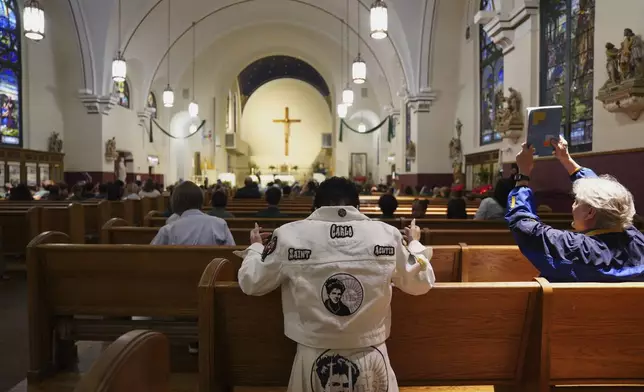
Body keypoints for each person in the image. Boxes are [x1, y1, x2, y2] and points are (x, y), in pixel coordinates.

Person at [235, 176, 435, 392]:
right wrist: (415, 244)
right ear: (357, 207)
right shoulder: (387, 234)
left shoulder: (288, 235)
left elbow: (251, 282)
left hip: (312, 353)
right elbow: (421, 282)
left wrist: (256, 248)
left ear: (314, 207)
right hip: (371, 355)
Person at [506, 137, 644, 282]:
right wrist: (566, 159)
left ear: (590, 212)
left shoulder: (573, 248)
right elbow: (610, 200)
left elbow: (524, 225)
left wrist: (522, 178)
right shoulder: (637, 241)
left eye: (576, 202)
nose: (572, 206)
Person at [151, 181, 235, 246]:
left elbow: (150, 255)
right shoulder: (219, 224)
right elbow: (231, 253)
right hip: (214, 268)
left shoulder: (168, 230)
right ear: (201, 200)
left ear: (175, 202)